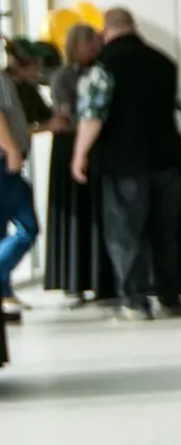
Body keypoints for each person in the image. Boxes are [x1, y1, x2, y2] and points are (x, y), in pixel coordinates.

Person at [72, 8, 181, 320]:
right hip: (167, 158)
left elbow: (94, 114)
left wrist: (80, 154)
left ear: (105, 30)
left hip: (124, 161)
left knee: (125, 232)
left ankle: (136, 301)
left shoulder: (103, 66)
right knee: (165, 232)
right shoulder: (164, 62)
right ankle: (170, 297)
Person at [45, 24, 116, 306]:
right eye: (90, 44)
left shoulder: (101, 72)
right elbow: (67, 113)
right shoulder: (63, 76)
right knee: (75, 212)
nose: (95, 49)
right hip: (69, 147)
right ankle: (75, 279)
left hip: (94, 146)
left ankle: (101, 277)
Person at [0, 41, 39, 324]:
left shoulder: (10, 83)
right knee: (27, 227)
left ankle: (3, 294)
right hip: (3, 162)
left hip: (9, 161)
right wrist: (12, 149)